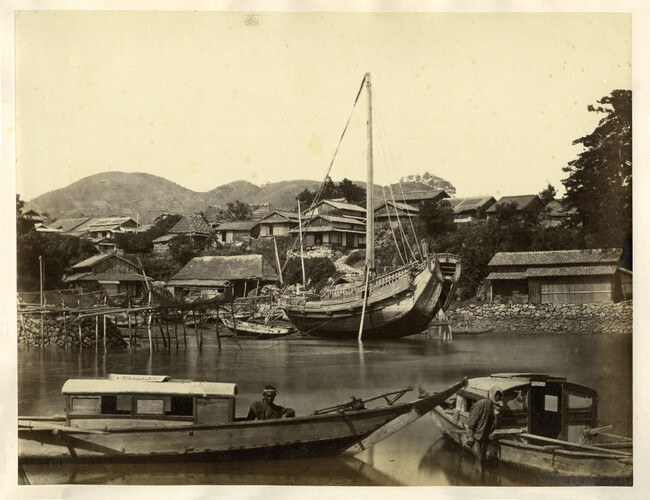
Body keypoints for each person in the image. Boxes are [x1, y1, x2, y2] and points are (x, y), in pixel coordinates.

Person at [465, 385, 503, 470]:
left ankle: (478, 479)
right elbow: (471, 424)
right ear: (493, 394)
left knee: (482, 461)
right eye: (497, 395)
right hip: (475, 438)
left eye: (500, 396)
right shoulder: (480, 405)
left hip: (484, 438)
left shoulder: (493, 408)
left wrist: (497, 415)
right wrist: (470, 437)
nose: (498, 397)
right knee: (479, 459)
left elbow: (494, 426)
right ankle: (479, 480)